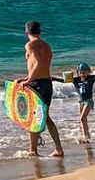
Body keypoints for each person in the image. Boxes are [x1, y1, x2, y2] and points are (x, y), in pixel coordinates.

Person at [17, 20, 64, 158]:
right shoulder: (47, 46)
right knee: (45, 117)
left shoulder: (29, 45)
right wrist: (26, 77)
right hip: (47, 83)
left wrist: (28, 81)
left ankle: (33, 150)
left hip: (36, 84)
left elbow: (37, 63)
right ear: (40, 31)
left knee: (33, 117)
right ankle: (58, 148)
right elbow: (42, 66)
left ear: (27, 32)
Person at [72, 56, 95, 144]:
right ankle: (86, 136)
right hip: (80, 102)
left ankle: (86, 136)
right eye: (81, 72)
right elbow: (63, 80)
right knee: (83, 120)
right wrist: (52, 78)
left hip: (88, 101)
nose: (83, 74)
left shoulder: (91, 78)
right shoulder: (75, 80)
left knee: (82, 118)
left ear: (88, 72)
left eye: (85, 72)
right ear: (78, 73)